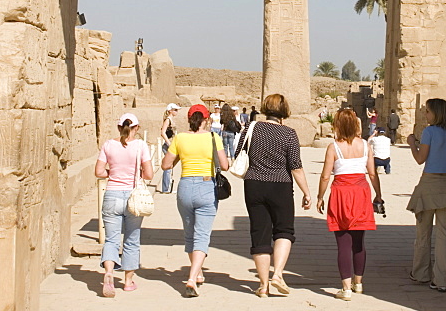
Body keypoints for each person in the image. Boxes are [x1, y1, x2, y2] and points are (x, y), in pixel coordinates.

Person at [234, 93, 312, 297]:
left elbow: (238, 153)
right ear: (284, 111)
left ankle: (263, 285)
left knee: (259, 233)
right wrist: (306, 192)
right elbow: (295, 166)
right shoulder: (288, 134)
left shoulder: (251, 128)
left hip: (254, 184)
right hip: (280, 185)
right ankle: (277, 274)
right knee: (284, 231)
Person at [162, 104, 229, 296]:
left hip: (185, 187)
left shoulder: (180, 138)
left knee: (190, 233)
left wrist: (180, 157)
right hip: (206, 187)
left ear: (189, 119)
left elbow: (166, 165)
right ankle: (192, 278)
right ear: (207, 119)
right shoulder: (212, 137)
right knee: (202, 235)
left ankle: (197, 272)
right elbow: (224, 165)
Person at [317, 108, 383, 300]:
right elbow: (372, 173)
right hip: (361, 192)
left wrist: (320, 196)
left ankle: (346, 288)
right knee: (358, 241)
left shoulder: (333, 147)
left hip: (341, 193)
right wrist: (378, 194)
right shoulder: (365, 145)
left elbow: (325, 176)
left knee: (343, 243)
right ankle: (359, 282)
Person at [406, 98, 446, 293]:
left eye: (428, 112)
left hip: (430, 183)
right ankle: (442, 280)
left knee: (423, 232)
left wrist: (412, 143)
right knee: (444, 235)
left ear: (436, 113)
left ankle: (421, 273)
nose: (426, 115)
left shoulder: (429, 131)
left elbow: (420, 159)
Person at [94, 112, 154, 296]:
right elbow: (149, 174)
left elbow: (98, 171)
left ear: (119, 127)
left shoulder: (108, 145)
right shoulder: (140, 146)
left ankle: (109, 272)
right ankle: (128, 281)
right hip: (132, 196)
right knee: (131, 240)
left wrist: (112, 174)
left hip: (112, 194)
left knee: (111, 240)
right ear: (136, 128)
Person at [160, 103, 180, 194]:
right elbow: (163, 132)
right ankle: (165, 188)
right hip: (168, 145)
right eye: (175, 110)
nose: (177, 112)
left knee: (170, 167)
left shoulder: (171, 119)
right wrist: (169, 143)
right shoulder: (168, 120)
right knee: (167, 167)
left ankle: (167, 187)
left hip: (172, 144)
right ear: (170, 110)